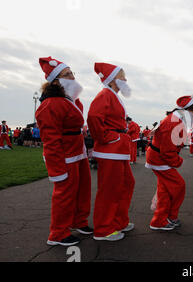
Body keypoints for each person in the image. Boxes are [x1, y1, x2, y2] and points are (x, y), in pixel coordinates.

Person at [35, 56, 92, 246]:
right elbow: (50, 140)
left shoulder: (70, 99)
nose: (72, 76)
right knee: (65, 194)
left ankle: (79, 221)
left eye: (72, 72)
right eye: (67, 74)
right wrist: (57, 169)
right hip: (65, 156)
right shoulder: (50, 104)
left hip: (78, 152)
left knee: (82, 190)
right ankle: (58, 233)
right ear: (56, 80)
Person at [87, 62, 135, 241]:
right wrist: (105, 138)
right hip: (111, 149)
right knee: (110, 189)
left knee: (126, 184)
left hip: (118, 148)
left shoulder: (112, 95)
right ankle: (104, 229)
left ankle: (119, 221)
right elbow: (93, 117)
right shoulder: (105, 94)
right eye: (122, 76)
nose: (126, 79)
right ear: (114, 79)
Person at [145, 95, 193, 231]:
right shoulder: (174, 122)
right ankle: (169, 217)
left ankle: (161, 219)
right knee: (179, 186)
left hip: (159, 158)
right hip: (159, 159)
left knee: (165, 190)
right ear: (186, 110)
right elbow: (167, 151)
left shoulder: (175, 120)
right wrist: (178, 161)